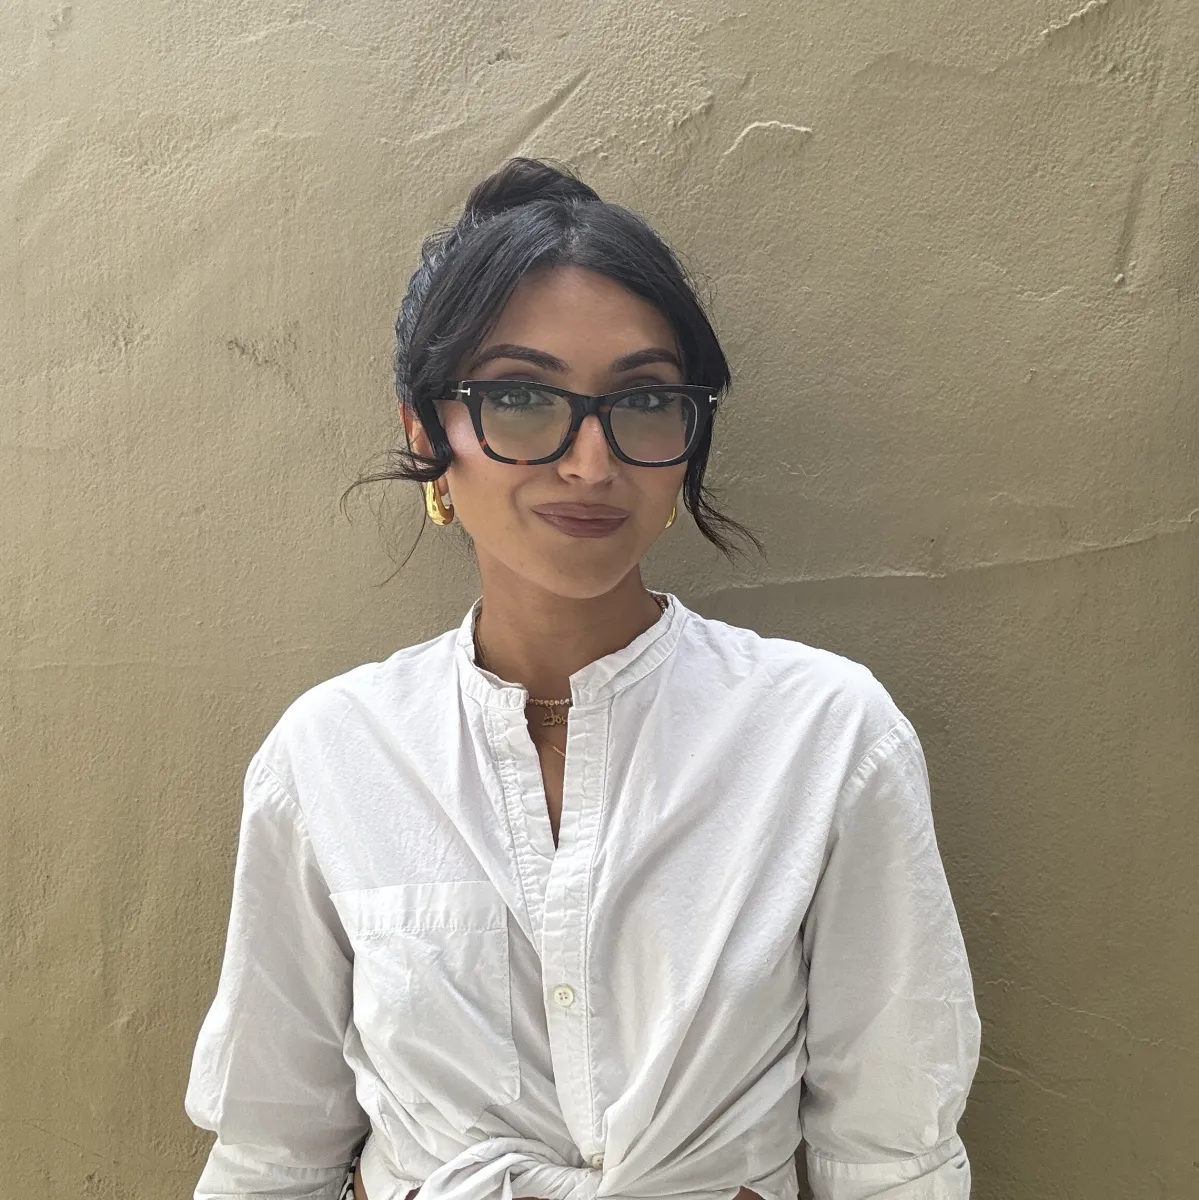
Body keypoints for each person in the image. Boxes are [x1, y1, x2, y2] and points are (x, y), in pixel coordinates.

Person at [184, 157, 981, 1200]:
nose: (592, 463)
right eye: (521, 397)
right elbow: (270, 1154)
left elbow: (890, 1158)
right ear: (426, 431)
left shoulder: (823, 736)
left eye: (643, 400)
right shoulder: (332, 754)